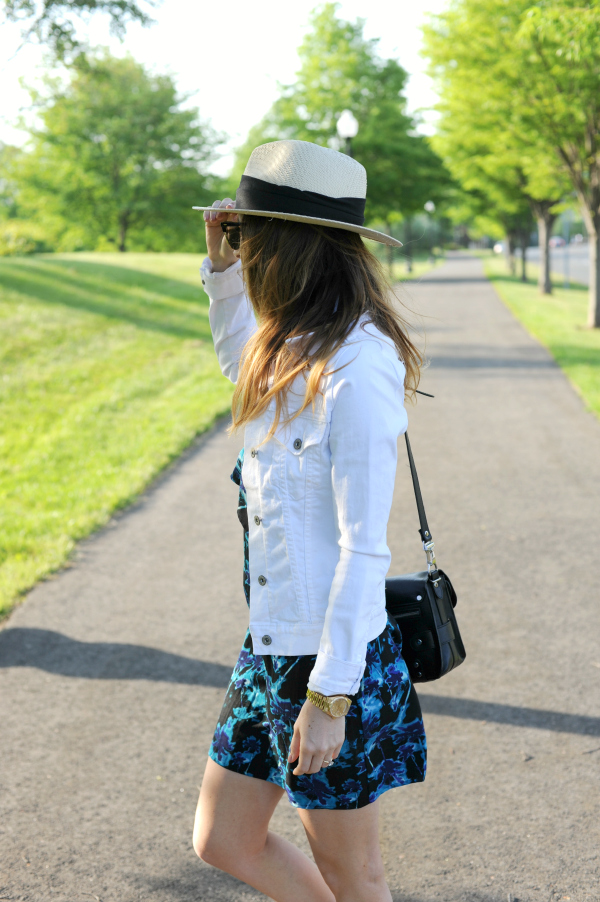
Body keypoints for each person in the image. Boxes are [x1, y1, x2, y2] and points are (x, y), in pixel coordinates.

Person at [192, 139, 427, 902]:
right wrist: (221, 272)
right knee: (223, 840)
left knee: (355, 876)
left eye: (248, 237)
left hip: (329, 661)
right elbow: (242, 367)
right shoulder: (292, 342)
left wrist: (330, 700)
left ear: (289, 246)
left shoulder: (358, 369)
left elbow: (366, 549)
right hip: (271, 644)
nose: (243, 246)